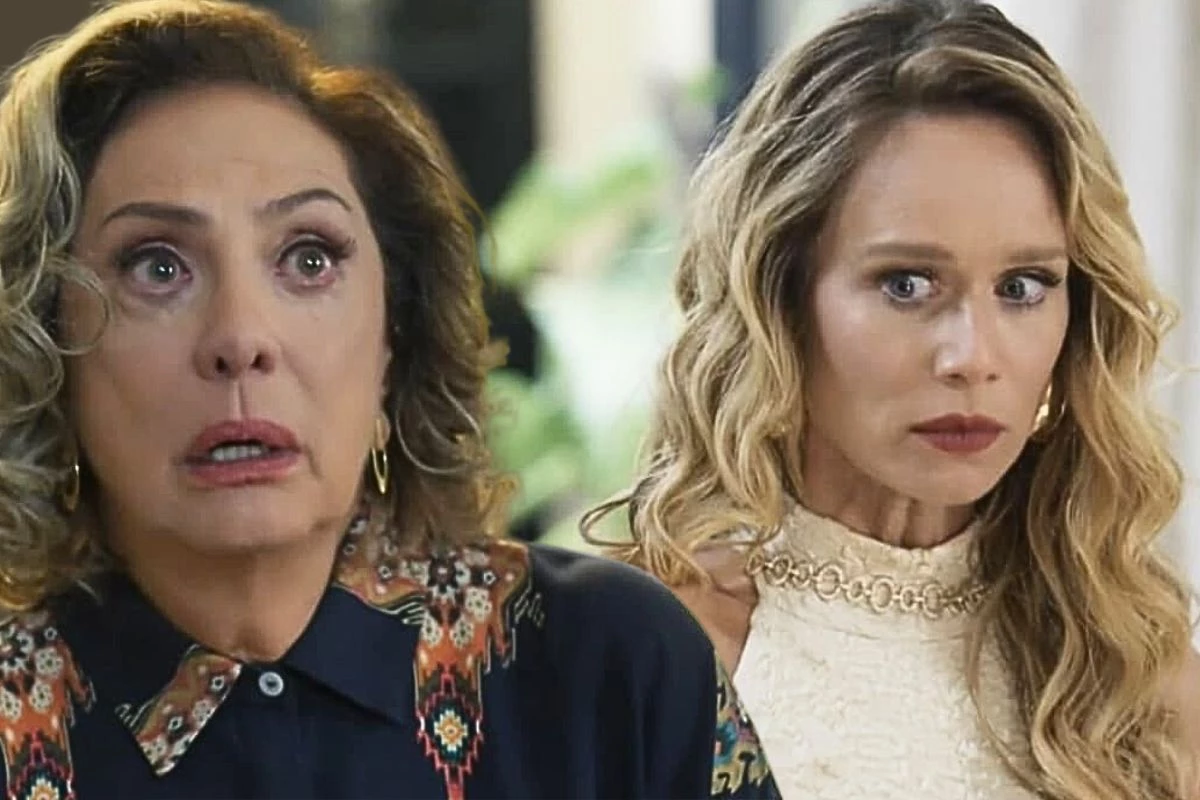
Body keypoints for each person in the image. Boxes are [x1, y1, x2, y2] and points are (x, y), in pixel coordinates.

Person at [0, 2, 781, 798]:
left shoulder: (609, 667)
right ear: (43, 340)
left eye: (309, 259)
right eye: (157, 267)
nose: (240, 337)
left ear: (394, 338)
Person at [583, 0, 1200, 798]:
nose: (972, 357)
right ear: (780, 297)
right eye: (907, 284)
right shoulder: (650, 651)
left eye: (1023, 286)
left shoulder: (1131, 681)